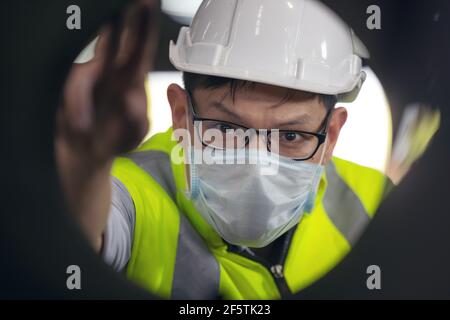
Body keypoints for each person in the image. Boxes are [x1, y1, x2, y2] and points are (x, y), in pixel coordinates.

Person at [56, 0, 389, 299]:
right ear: (181, 116)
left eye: (290, 136)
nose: (259, 168)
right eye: (227, 130)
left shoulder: (372, 198)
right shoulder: (135, 192)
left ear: (330, 134)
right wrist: (85, 161)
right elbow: (85, 236)